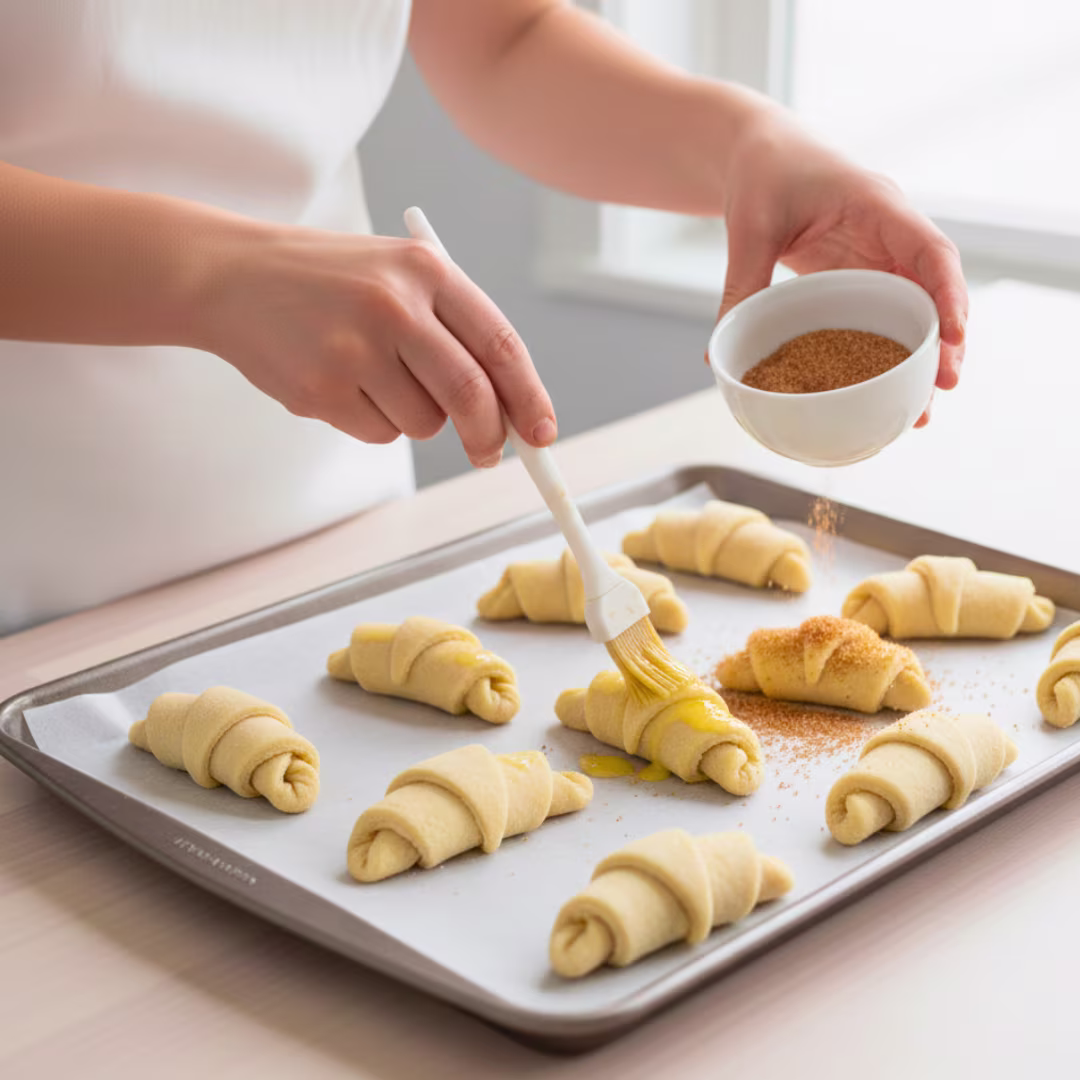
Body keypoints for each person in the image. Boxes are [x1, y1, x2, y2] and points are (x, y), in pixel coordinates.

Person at [0, 0, 967, 636]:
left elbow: (504, 37)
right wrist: (214, 278)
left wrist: (745, 141)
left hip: (346, 536)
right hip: (31, 582)